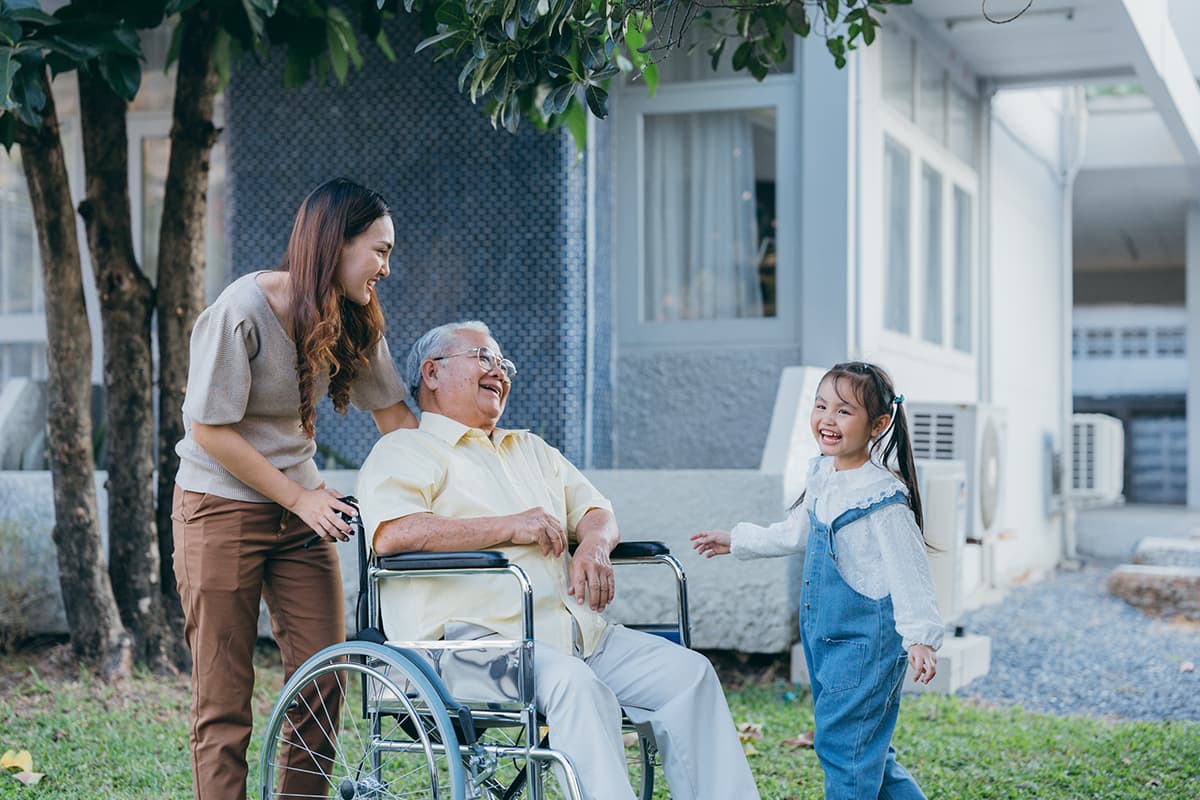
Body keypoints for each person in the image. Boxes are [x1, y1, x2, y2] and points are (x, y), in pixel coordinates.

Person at [356, 320, 760, 800]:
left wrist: (592, 544)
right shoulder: (405, 449)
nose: (500, 373)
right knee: (575, 686)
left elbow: (597, 511)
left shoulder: (530, 448)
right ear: (433, 372)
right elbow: (394, 534)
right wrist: (509, 525)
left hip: (573, 637)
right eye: (484, 359)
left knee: (688, 675)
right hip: (466, 649)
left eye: (504, 364)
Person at [171, 177, 416, 800]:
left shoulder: (352, 321)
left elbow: (396, 421)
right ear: (337, 244)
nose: (387, 267)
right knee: (223, 697)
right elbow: (210, 430)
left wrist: (467, 472)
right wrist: (300, 498)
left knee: (324, 676)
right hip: (219, 508)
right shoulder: (242, 310)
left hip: (302, 516)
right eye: (379, 250)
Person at [692, 361, 943, 800]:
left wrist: (920, 637)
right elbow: (797, 531)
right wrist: (738, 540)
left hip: (865, 646)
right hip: (827, 641)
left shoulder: (882, 499)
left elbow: (910, 572)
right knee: (863, 748)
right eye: (821, 405)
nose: (827, 419)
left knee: (845, 751)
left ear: (878, 425)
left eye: (844, 411)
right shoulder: (825, 475)